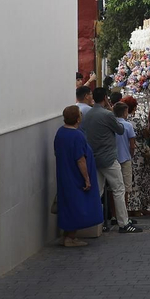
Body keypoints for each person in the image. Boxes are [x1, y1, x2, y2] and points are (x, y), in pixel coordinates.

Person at [79, 97, 140, 233]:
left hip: (95, 156)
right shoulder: (107, 115)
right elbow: (119, 129)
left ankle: (96, 221)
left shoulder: (88, 114)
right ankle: (123, 223)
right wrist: (111, 111)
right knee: (119, 189)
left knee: (98, 190)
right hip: (108, 157)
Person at [54, 105, 102, 247]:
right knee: (77, 205)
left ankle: (67, 235)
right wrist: (86, 178)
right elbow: (80, 159)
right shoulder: (77, 135)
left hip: (65, 173)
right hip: (75, 176)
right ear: (77, 118)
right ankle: (70, 237)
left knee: (68, 204)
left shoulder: (60, 132)